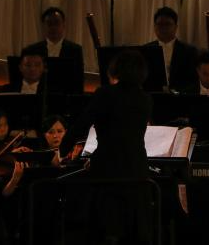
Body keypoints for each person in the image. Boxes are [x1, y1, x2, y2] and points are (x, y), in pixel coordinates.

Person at [63, 49, 152, 244]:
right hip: (136, 169)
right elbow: (126, 136)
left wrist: (63, 148)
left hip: (108, 170)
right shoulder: (144, 98)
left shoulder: (105, 93)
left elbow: (83, 123)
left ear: (116, 70)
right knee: (132, 229)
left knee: (104, 226)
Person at [145, 7, 199, 92]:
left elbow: (194, 80)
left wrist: (175, 92)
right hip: (153, 96)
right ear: (154, 27)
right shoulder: (146, 50)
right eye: (160, 24)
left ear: (176, 27)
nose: (163, 28)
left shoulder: (189, 51)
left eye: (168, 24)